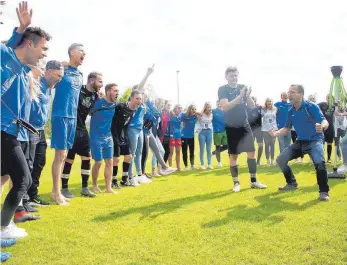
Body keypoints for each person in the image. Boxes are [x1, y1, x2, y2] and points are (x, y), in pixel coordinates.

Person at [1, 1, 51, 238]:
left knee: (9, 176)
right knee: (23, 179)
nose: (44, 55)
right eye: (43, 49)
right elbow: (10, 48)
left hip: (10, 130)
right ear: (29, 44)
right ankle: (3, 228)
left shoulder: (21, 69)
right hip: (3, 129)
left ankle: (3, 227)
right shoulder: (5, 55)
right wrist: (20, 29)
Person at [270, 84, 330, 201]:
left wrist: (321, 127)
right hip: (300, 141)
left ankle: (324, 192)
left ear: (300, 95)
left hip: (315, 140)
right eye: (289, 92)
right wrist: (276, 133)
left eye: (292, 92)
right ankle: (291, 183)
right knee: (281, 160)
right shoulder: (290, 110)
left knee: (319, 163)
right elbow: (286, 128)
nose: (289, 94)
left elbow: (324, 121)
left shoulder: (311, 106)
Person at [218, 66, 267, 192]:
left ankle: (254, 181)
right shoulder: (222, 89)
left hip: (244, 125)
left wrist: (248, 96)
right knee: (233, 155)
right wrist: (240, 97)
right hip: (231, 126)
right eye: (231, 76)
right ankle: (236, 183)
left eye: (235, 75)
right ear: (226, 77)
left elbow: (251, 106)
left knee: (252, 152)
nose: (234, 78)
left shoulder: (242, 87)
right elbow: (225, 107)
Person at [50, 43, 85, 205]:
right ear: (72, 52)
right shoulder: (62, 70)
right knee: (60, 155)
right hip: (60, 115)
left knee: (64, 155)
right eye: (81, 51)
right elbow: (45, 73)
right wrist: (58, 63)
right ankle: (56, 193)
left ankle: (57, 192)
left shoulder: (80, 74)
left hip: (72, 118)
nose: (84, 54)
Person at [60, 72, 103, 199]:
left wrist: (99, 101)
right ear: (91, 80)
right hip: (72, 128)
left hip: (82, 129)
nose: (102, 84)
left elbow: (89, 112)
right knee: (69, 159)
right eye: (100, 81)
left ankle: (85, 188)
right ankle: (64, 188)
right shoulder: (78, 89)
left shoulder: (95, 96)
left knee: (86, 157)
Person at [127, 66, 154, 184]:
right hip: (132, 129)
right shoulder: (133, 100)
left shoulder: (142, 103)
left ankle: (139, 175)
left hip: (140, 130)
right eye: (138, 95)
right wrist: (148, 74)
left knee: (139, 153)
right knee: (131, 153)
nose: (140, 96)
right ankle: (130, 177)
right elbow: (140, 87)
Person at [111, 90, 143, 188]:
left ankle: (125, 180)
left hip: (123, 135)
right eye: (137, 98)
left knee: (129, 156)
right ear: (131, 98)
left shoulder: (134, 110)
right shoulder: (120, 106)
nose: (139, 101)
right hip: (114, 134)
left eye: (140, 99)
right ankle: (113, 181)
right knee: (116, 159)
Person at [90, 84, 118, 194]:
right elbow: (87, 111)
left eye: (117, 91)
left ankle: (108, 187)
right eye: (115, 91)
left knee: (110, 162)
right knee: (98, 162)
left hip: (108, 136)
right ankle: (94, 184)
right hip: (96, 136)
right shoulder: (98, 103)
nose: (117, 93)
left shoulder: (115, 104)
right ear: (108, 91)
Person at [318, 95, 335, 163]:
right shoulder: (322, 104)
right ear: (326, 98)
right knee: (321, 144)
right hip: (323, 126)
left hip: (330, 127)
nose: (329, 99)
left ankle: (329, 158)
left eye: (331, 98)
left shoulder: (334, 106)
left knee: (329, 143)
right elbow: (314, 106)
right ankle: (321, 158)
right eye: (328, 98)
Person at [181, 105, 198, 170]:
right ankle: (186, 166)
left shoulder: (195, 116)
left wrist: (196, 112)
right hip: (184, 136)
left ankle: (192, 165)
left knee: (192, 151)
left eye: (195, 109)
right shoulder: (184, 115)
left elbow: (201, 113)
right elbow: (179, 119)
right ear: (189, 109)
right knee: (184, 152)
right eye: (192, 109)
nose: (194, 110)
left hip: (191, 136)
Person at [261, 98, 277, 166]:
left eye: (270, 101)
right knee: (267, 145)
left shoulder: (275, 109)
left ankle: (272, 160)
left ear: (272, 102)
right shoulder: (263, 110)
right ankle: (267, 160)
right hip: (265, 130)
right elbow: (259, 117)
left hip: (274, 129)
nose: (269, 102)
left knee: (272, 145)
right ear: (266, 102)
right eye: (267, 101)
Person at [247, 96, 263, 165]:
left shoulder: (259, 108)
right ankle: (250, 160)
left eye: (253, 100)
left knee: (260, 146)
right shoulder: (246, 109)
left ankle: (258, 160)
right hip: (250, 130)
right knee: (250, 147)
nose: (252, 102)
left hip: (259, 130)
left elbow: (264, 114)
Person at [197, 102, 213, 169]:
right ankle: (202, 164)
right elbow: (196, 113)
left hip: (209, 132)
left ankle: (209, 164)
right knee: (202, 149)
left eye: (210, 107)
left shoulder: (212, 114)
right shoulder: (201, 114)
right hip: (202, 132)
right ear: (205, 108)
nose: (209, 108)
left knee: (209, 149)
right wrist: (201, 111)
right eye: (208, 107)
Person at [168, 104, 183, 171]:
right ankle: (170, 167)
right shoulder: (171, 116)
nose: (180, 109)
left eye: (181, 108)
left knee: (178, 152)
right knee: (171, 152)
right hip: (172, 136)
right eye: (179, 108)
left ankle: (178, 167)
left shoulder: (181, 117)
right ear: (175, 109)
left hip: (178, 136)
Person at [212, 101, 227, 168]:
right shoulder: (213, 111)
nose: (219, 104)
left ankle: (213, 153)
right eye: (218, 103)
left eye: (220, 103)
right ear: (216, 104)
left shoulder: (225, 111)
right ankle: (219, 163)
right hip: (217, 132)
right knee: (218, 147)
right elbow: (204, 112)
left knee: (227, 146)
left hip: (225, 131)